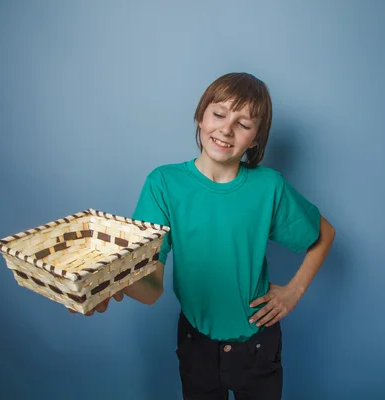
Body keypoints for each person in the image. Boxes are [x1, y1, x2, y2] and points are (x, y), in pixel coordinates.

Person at [73, 72, 336, 399]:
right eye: (219, 114)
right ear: (200, 117)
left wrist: (294, 291)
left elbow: (324, 232)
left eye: (243, 123)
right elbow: (152, 288)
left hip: (257, 346)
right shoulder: (163, 185)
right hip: (196, 344)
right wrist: (112, 284)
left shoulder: (269, 187)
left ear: (255, 138)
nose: (226, 129)